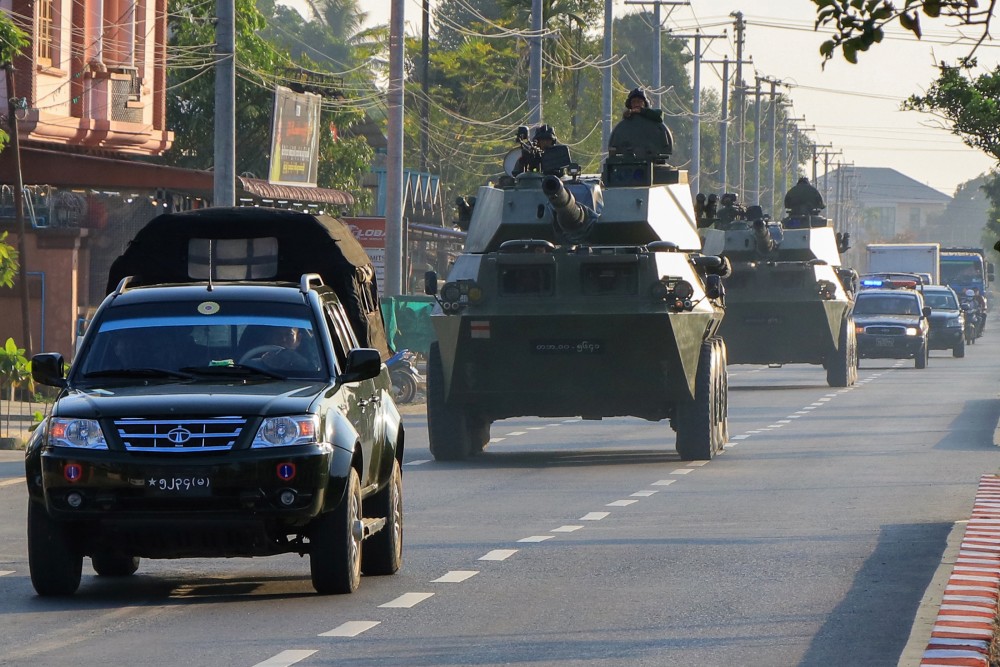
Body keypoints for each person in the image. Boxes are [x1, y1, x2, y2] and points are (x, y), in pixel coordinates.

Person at [607, 87, 674, 161]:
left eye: (639, 101)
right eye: (634, 102)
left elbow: (659, 115)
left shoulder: (652, 116)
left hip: (652, 159)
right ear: (630, 105)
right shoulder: (627, 122)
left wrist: (642, 111)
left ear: (644, 103)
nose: (636, 104)